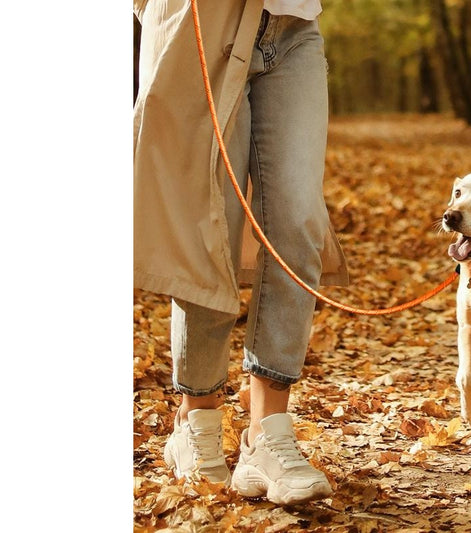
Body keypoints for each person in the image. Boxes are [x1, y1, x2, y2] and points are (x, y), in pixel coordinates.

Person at [133, 0, 348, 505]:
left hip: (293, 28)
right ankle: (196, 420)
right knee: (211, 222)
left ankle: (266, 434)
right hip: (200, 24)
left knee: (296, 221)